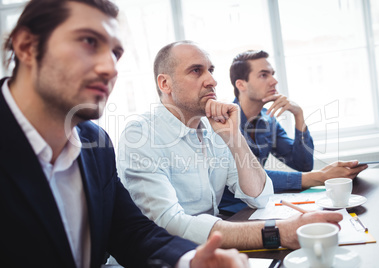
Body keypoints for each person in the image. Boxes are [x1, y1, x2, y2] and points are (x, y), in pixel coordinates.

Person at [0, 1, 252, 267]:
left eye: (115, 53)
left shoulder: (94, 143)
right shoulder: (139, 134)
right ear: (27, 46)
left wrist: (190, 260)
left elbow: (129, 232)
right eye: (88, 41)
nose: (110, 68)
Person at [118, 40, 343, 251]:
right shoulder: (141, 134)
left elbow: (260, 197)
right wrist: (276, 232)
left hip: (211, 248)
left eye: (211, 70)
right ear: (165, 83)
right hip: (170, 255)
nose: (212, 81)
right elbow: (169, 225)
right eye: (196, 70)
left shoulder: (215, 128)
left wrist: (234, 139)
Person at [219, 50, 368, 213]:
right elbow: (246, 174)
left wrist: (299, 115)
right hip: (231, 212)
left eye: (272, 74)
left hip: (259, 207)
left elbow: (302, 163)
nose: (274, 81)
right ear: (241, 84)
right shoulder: (224, 123)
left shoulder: (268, 120)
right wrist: (318, 177)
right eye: (263, 75)